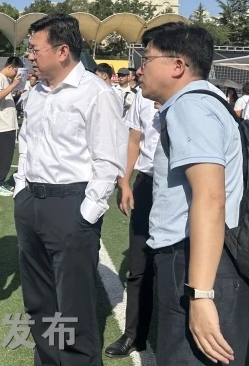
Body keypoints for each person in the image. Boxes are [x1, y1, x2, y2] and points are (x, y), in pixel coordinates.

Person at [137, 22, 249, 365]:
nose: (140, 69)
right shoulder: (207, 103)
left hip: (197, 260)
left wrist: (201, 294)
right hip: (207, 258)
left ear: (177, 66)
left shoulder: (190, 108)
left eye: (147, 59)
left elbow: (210, 197)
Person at [13, 14, 127, 366]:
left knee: (74, 306)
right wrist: (21, 190)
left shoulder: (96, 93)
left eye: (35, 49)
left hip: (71, 204)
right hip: (32, 201)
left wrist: (87, 212)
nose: (29, 55)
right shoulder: (36, 93)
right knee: (39, 301)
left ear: (62, 51)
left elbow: (108, 160)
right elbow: (26, 144)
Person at [105, 90, 161, 358]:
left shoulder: (201, 94)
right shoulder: (143, 96)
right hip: (147, 184)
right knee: (139, 267)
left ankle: (179, 341)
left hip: (184, 188)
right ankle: (134, 335)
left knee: (178, 270)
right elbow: (134, 139)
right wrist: (124, 181)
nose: (140, 70)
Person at [0, 57, 23, 196]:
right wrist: (13, 84)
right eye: (16, 70)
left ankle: (0, 182)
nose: (16, 74)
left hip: (8, 123)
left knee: (8, 156)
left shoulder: (5, 79)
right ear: (10, 67)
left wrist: (16, 90)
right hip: (3, 124)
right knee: (4, 156)